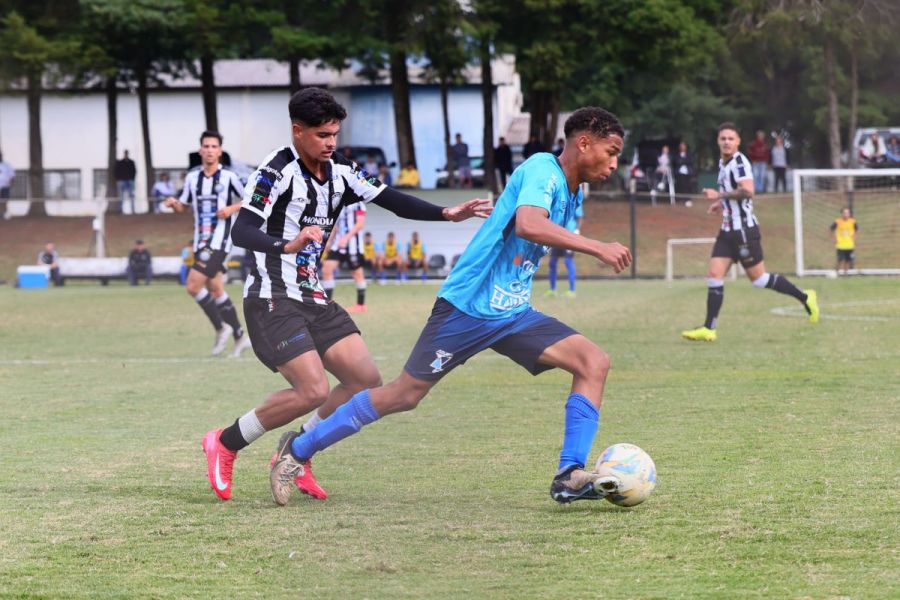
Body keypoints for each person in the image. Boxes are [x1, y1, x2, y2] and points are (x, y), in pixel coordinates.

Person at [268, 106, 634, 507]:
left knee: (593, 362)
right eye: (611, 152)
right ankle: (298, 449)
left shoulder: (571, 190)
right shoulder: (542, 170)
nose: (614, 164)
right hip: (467, 307)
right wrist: (597, 247)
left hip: (512, 313)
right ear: (584, 143)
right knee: (404, 395)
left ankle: (570, 474)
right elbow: (529, 224)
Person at [199, 87, 491, 502]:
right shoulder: (275, 171)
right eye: (322, 134)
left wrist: (446, 213)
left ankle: (296, 449)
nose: (330, 142)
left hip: (313, 296)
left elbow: (391, 199)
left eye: (334, 134)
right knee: (313, 390)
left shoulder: (342, 169)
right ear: (298, 131)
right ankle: (225, 442)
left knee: (363, 380)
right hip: (272, 295)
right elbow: (242, 230)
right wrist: (287, 244)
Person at [681, 122, 819, 343]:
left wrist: (719, 195)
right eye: (723, 138)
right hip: (727, 230)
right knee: (715, 275)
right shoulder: (723, 162)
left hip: (744, 231)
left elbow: (748, 191)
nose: (727, 142)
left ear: (738, 142)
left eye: (731, 138)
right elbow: (733, 192)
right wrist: (721, 204)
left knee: (759, 279)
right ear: (718, 141)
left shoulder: (740, 162)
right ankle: (709, 328)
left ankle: (805, 296)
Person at [163, 131, 251, 358]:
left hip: (220, 240)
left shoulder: (229, 177)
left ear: (220, 151)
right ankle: (240, 335)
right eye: (206, 146)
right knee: (216, 288)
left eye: (214, 146)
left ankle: (222, 327)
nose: (210, 150)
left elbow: (252, 199)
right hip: (200, 240)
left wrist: (231, 208)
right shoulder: (192, 178)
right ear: (200, 150)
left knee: (193, 286)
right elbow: (183, 206)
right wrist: (173, 203)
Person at [321, 201, 369, 313]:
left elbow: (360, 224)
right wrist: (328, 242)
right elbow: (335, 227)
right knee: (326, 269)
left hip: (354, 246)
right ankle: (328, 304)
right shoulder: (339, 205)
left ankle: (360, 305)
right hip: (338, 245)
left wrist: (346, 238)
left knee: (357, 274)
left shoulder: (359, 204)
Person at [546, 201, 583, 298]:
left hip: (569, 236)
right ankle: (552, 290)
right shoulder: (558, 199)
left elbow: (579, 217)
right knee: (552, 262)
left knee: (568, 261)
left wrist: (577, 230)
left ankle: (572, 290)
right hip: (557, 236)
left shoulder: (575, 199)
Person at [830, 207, 858, 276]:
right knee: (840, 259)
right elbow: (831, 229)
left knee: (848, 260)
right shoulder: (837, 221)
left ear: (850, 214)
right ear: (842, 214)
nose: (846, 214)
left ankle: (845, 274)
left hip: (849, 245)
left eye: (848, 213)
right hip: (840, 244)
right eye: (845, 213)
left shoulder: (853, 221)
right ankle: (836, 272)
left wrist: (854, 238)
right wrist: (834, 238)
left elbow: (856, 230)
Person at [115, 150, 137, 214]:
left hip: (130, 180)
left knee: (132, 195)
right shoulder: (120, 162)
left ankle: (133, 210)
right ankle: (120, 210)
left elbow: (134, 171)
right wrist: (118, 178)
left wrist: (132, 179)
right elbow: (116, 171)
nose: (126, 155)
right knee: (121, 196)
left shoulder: (131, 162)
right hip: (121, 180)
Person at [0, 150, 15, 219]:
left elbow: (12, 175)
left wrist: (12, 183)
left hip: (5, 186)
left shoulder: (7, 165)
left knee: (4, 200)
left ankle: (4, 213)